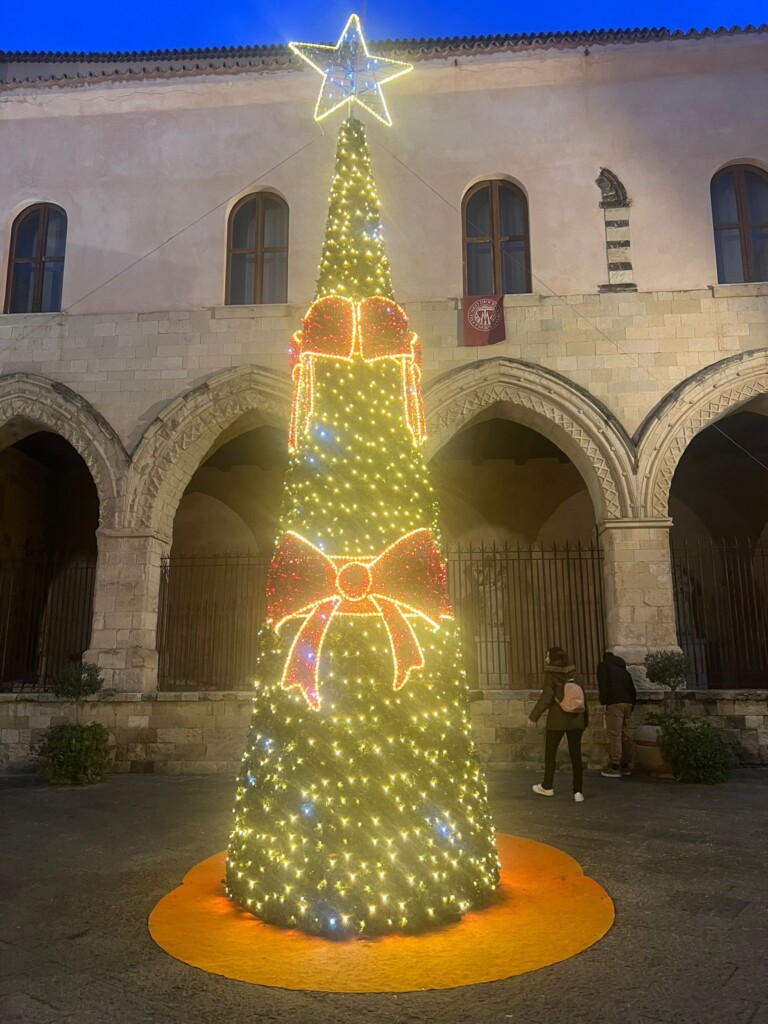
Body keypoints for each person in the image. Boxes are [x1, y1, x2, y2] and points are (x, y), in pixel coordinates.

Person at [527, 646, 588, 803]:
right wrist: (585, 720)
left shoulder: (551, 674)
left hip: (557, 720)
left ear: (552, 658)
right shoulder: (576, 674)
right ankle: (578, 792)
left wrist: (534, 716)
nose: (546, 659)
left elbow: (547, 697)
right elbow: (582, 698)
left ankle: (547, 786)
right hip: (576, 720)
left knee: (550, 753)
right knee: (576, 756)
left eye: (548, 656)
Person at [597, 650, 637, 778]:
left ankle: (615, 767)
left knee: (615, 734)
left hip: (615, 703)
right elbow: (632, 688)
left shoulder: (603, 666)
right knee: (624, 734)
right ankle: (625, 765)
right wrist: (632, 704)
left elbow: (603, 685)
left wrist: (604, 702)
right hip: (628, 703)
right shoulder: (623, 669)